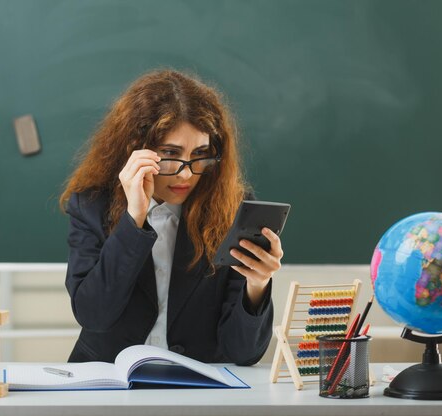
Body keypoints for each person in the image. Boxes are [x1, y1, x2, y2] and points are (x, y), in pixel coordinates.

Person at [59, 69, 283, 365]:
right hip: (108, 381)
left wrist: (257, 285)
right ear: (135, 149)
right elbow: (94, 314)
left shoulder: (231, 210)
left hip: (196, 388)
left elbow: (243, 353)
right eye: (171, 153)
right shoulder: (92, 204)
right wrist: (134, 219)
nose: (188, 173)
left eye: (200, 154)